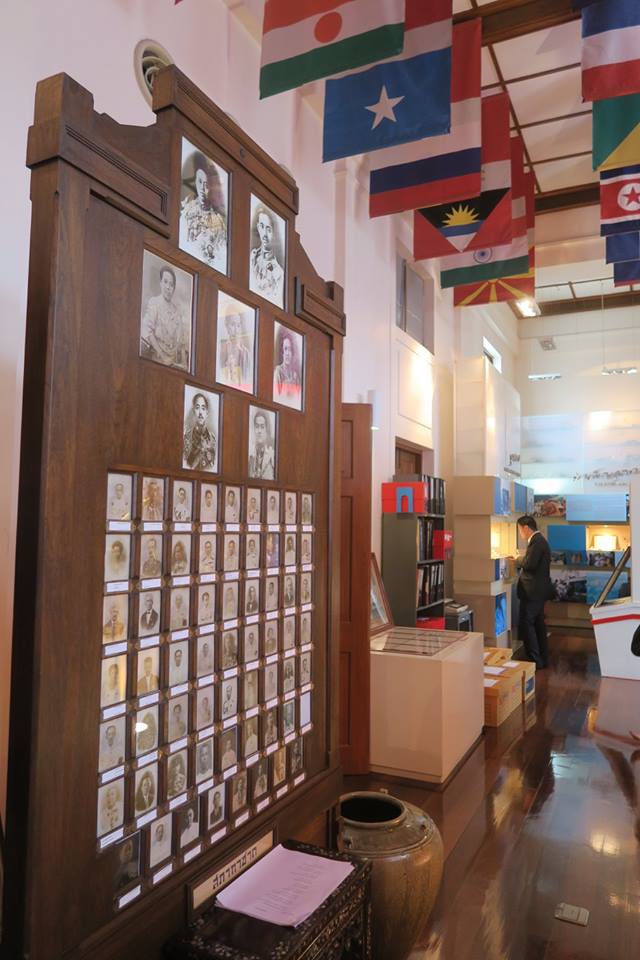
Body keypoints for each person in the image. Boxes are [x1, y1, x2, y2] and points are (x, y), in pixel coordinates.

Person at [514, 515, 552, 670]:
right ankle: (541, 659)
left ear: (525, 528)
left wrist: (517, 559)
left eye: (519, 529)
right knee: (538, 625)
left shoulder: (537, 542)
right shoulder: (540, 541)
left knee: (528, 624)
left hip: (533, 592)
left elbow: (530, 564)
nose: (520, 533)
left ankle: (534, 660)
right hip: (538, 592)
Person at [180, 151, 227, 271]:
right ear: (195, 181)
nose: (202, 188)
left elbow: (220, 257)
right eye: (200, 182)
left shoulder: (218, 221)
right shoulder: (187, 212)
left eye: (206, 185)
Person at [141, 263, 189, 369]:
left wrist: (184, 364)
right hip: (157, 360)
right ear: (160, 283)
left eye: (171, 284)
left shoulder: (177, 311)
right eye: (165, 282)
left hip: (173, 362)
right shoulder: (154, 303)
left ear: (174, 288)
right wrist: (163, 356)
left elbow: (181, 341)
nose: (168, 287)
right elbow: (148, 331)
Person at [249, 204, 284, 305]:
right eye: (262, 226)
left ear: (274, 233)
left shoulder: (278, 272)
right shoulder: (252, 256)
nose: (264, 234)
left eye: (268, 229)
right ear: (258, 227)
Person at [218, 309, 252, 389]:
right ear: (226, 326)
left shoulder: (246, 353)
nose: (236, 330)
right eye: (233, 325)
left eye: (238, 325)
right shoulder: (221, 349)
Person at [183, 391, 216, 472]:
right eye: (197, 408)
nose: (200, 412)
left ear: (207, 413)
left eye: (203, 408)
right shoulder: (187, 437)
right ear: (194, 411)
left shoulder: (212, 439)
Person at [273, 330, 301, 404]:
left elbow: (298, 400)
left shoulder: (295, 376)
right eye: (285, 349)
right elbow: (276, 398)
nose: (287, 353)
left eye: (290, 349)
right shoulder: (278, 372)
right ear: (282, 352)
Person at [248, 409, 275, 480]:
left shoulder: (272, 455)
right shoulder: (250, 455)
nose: (259, 431)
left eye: (262, 427)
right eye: (257, 427)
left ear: (266, 429)